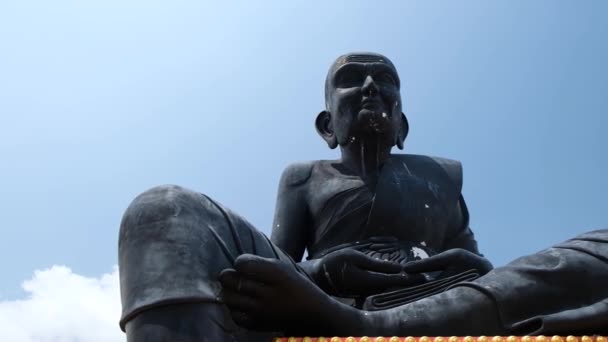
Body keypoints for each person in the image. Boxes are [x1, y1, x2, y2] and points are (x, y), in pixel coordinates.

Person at [118, 53, 608, 341]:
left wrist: (466, 265)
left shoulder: (443, 176)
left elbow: (486, 269)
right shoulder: (303, 177)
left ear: (403, 127)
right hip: (319, 298)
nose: (372, 86)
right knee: (163, 210)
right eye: (352, 79)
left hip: (443, 303)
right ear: (327, 126)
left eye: (386, 81)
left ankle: (374, 327)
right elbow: (271, 267)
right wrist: (320, 271)